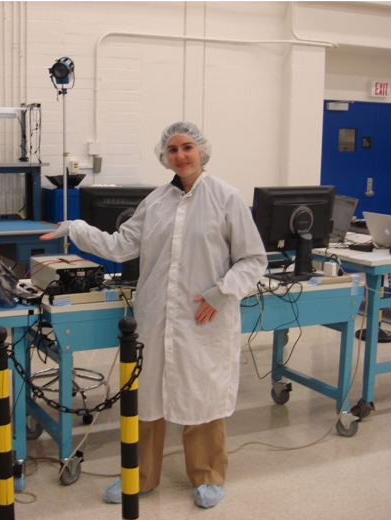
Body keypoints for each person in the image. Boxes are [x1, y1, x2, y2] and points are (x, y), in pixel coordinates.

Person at [40, 121, 267, 509]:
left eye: (187, 147)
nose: (180, 155)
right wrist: (74, 228)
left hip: (204, 316)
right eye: (173, 149)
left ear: (202, 151)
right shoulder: (156, 202)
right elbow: (119, 246)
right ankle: (140, 475)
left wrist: (222, 290)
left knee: (203, 396)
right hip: (155, 316)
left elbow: (253, 259)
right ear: (164, 156)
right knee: (147, 398)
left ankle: (208, 474)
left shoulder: (226, 198)